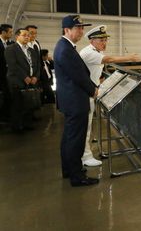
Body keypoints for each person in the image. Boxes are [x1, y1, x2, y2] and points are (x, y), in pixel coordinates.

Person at [79, 25, 141, 167]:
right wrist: (129, 57)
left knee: (87, 126)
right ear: (92, 40)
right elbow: (109, 59)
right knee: (85, 127)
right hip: (86, 94)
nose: (104, 43)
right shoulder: (89, 52)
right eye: (101, 40)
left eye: (105, 40)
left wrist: (99, 79)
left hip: (90, 91)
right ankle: (85, 157)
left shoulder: (93, 51)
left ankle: (84, 154)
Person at [54, 15, 99, 187]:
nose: (81, 31)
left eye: (82, 28)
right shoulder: (65, 49)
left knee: (69, 137)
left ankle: (69, 169)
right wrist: (93, 90)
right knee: (76, 139)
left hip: (70, 100)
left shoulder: (65, 46)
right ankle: (77, 176)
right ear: (67, 30)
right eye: (78, 28)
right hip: (75, 101)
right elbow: (78, 76)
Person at [4, 28, 40, 133]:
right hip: (17, 80)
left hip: (31, 80)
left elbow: (37, 65)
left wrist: (35, 77)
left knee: (28, 104)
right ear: (17, 36)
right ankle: (17, 126)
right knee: (17, 104)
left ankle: (27, 123)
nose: (27, 37)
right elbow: (13, 66)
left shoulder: (31, 50)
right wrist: (25, 77)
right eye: (24, 35)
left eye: (28, 35)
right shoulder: (11, 49)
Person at [0, 24, 14, 123]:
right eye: (10, 32)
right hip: (0, 74)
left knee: (8, 95)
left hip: (9, 75)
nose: (11, 34)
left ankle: (7, 116)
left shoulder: (10, 44)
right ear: (3, 32)